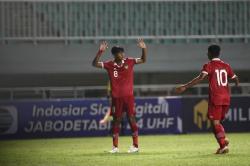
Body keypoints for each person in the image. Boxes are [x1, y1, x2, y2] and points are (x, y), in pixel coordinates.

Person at [175, 44, 239, 154]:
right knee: (216, 122)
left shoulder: (209, 65)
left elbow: (201, 78)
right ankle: (223, 141)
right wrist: (235, 85)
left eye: (207, 52)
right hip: (226, 98)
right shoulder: (226, 65)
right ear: (219, 53)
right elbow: (235, 79)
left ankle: (223, 145)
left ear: (209, 53)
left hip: (216, 98)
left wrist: (185, 86)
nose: (206, 54)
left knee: (215, 123)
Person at [92, 39, 147, 153]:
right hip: (116, 98)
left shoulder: (130, 61)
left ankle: (135, 146)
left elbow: (143, 60)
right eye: (120, 52)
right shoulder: (109, 64)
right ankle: (115, 147)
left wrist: (143, 48)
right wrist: (100, 51)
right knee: (116, 120)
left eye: (123, 52)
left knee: (131, 119)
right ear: (115, 54)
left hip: (129, 97)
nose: (123, 54)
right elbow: (94, 64)